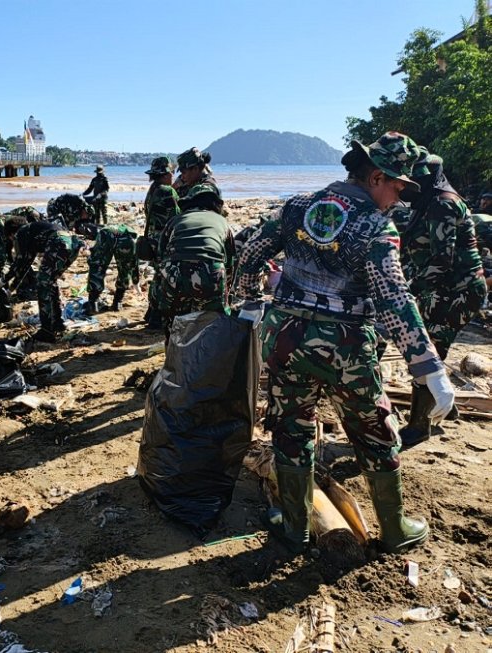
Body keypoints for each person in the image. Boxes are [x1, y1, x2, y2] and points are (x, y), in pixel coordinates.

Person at [235, 132, 455, 555]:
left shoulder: (297, 206)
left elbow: (250, 252)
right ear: (376, 177)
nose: (399, 198)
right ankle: (394, 529)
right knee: (373, 431)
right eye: (398, 187)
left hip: (284, 338)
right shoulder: (375, 226)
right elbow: (393, 297)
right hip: (346, 347)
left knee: (291, 429)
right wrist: (428, 366)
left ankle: (294, 529)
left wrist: (249, 301)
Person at [394, 150, 485, 448]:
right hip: (444, 289)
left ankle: (419, 426)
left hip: (458, 291)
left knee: (427, 352)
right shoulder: (430, 202)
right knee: (432, 347)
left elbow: (441, 261)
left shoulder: (443, 205)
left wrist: (406, 291)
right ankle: (446, 407)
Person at [156, 183, 233, 336]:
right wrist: (226, 293)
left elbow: (160, 256)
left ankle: (172, 352)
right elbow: (230, 263)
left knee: (173, 323)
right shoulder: (223, 222)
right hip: (211, 269)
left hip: (173, 270)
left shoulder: (176, 220)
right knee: (213, 322)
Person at [3, 219, 84, 343]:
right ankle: (57, 324)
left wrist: (3, 283)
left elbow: (19, 263)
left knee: (42, 284)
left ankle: (47, 330)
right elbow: (25, 265)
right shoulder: (34, 231)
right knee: (50, 282)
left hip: (59, 242)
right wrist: (12, 287)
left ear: (11, 234)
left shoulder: (21, 233)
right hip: (73, 243)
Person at [141, 156, 180, 329]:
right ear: (165, 174)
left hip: (152, 237)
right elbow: (177, 216)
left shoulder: (153, 189)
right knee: (163, 277)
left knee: (157, 275)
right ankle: (157, 316)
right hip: (163, 240)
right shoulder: (167, 191)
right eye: (171, 172)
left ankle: (151, 312)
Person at [83, 222, 139, 315]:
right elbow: (133, 263)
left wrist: (93, 260)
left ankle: (93, 304)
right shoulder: (132, 236)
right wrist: (135, 281)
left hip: (105, 236)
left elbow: (94, 261)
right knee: (124, 270)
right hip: (126, 241)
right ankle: (117, 303)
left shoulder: (104, 231)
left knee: (98, 268)